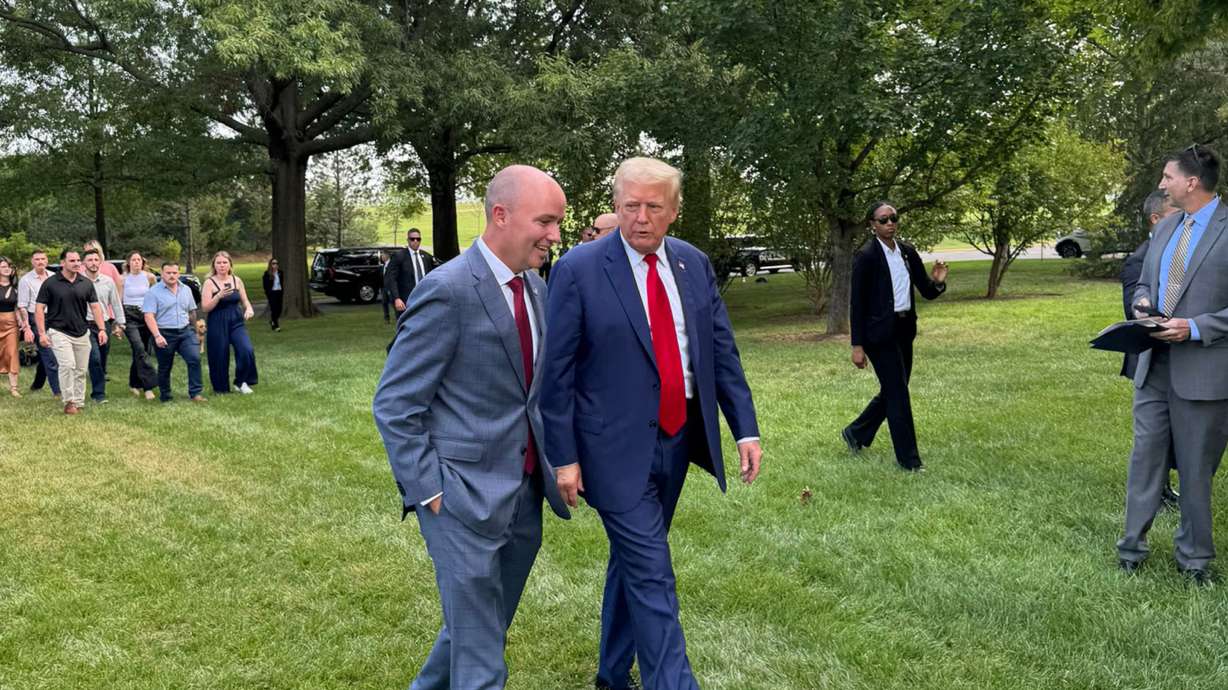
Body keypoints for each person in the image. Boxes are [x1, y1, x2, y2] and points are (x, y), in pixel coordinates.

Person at [541, 157, 763, 690]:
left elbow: (719, 351)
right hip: (610, 451)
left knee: (635, 560)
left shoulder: (691, 263)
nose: (640, 218)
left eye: (653, 207)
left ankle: (612, 675)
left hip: (678, 439)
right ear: (616, 205)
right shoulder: (579, 268)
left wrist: (745, 427)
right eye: (630, 205)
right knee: (652, 571)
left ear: (674, 211)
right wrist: (564, 457)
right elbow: (556, 373)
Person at [373, 165, 571, 690]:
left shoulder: (535, 288)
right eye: (546, 222)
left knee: (480, 627)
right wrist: (430, 492)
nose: (555, 236)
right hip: (459, 500)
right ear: (501, 216)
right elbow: (395, 404)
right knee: (483, 660)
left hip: (524, 495)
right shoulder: (448, 290)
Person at [1118, 144, 1228, 586]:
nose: (1161, 184)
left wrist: (1195, 327)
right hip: (1153, 365)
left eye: (1167, 177)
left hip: (1204, 371)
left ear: (1192, 182)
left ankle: (1195, 560)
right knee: (1144, 458)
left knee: (1196, 468)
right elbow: (1145, 281)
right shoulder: (1166, 228)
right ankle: (1130, 548)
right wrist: (1143, 302)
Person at [842, 201, 948, 472]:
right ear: (872, 226)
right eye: (883, 220)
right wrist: (857, 346)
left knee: (894, 390)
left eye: (893, 218)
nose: (890, 223)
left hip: (904, 330)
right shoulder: (866, 256)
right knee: (898, 395)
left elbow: (925, 290)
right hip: (879, 335)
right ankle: (909, 462)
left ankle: (856, 432)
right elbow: (857, 304)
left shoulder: (907, 252)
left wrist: (938, 281)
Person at [1120, 191, 1180, 509]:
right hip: (1152, 359)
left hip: (1184, 357)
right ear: (1156, 220)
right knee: (1155, 435)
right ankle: (1154, 493)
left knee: (1173, 431)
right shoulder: (1139, 259)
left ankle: (1165, 487)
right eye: (1176, 213)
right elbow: (1136, 314)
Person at [34, 249, 107, 415]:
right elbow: (39, 308)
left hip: (82, 331)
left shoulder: (86, 283)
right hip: (58, 331)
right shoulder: (51, 283)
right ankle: (69, 401)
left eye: (78, 260)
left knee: (81, 370)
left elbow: (95, 307)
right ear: (63, 263)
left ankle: (79, 401)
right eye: (72, 260)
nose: (76, 263)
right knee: (67, 365)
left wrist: (102, 329)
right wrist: (42, 333)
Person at [143, 262, 206, 403]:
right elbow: (148, 316)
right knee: (165, 366)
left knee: (194, 358)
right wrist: (157, 335)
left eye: (174, 273)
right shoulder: (153, 292)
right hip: (164, 333)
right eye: (168, 273)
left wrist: (194, 330)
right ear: (162, 273)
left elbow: (192, 311)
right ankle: (166, 395)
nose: (172, 275)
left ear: (178, 273)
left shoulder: (186, 290)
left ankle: (195, 393)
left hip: (185, 332)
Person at [202, 251, 258, 394]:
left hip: (236, 321)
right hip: (217, 322)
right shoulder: (209, 282)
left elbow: (245, 301)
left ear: (230, 264)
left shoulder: (236, 280)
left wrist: (249, 309)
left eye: (224, 262)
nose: (222, 265)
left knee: (246, 350)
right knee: (219, 355)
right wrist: (218, 296)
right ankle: (221, 388)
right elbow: (205, 307)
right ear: (214, 265)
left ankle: (241, 382)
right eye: (218, 263)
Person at [82, 249, 125, 405]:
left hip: (103, 324)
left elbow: (115, 303)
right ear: (84, 263)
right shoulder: (79, 281)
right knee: (94, 358)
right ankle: (98, 394)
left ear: (100, 262)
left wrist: (120, 323)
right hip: (84, 324)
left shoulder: (108, 281)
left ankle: (97, 384)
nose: (93, 263)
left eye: (96, 259)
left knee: (102, 359)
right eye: (90, 260)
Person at [17, 250, 60, 397]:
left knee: (46, 354)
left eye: (43, 259)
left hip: (54, 318)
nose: (40, 261)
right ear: (32, 262)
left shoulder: (54, 277)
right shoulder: (26, 280)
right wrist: (27, 328)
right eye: (37, 259)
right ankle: (58, 392)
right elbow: (22, 305)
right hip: (34, 318)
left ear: (47, 261)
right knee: (49, 354)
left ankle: (37, 384)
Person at [121, 252, 158, 400]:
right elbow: (119, 300)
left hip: (147, 315)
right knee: (139, 347)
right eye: (133, 260)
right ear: (128, 262)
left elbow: (156, 296)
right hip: (130, 316)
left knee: (143, 351)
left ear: (142, 262)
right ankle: (149, 386)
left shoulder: (150, 277)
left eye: (139, 260)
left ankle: (134, 383)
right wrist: (119, 321)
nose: (136, 262)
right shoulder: (122, 279)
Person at [384, 228, 435, 316]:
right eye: (412, 239)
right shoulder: (399, 256)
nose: (415, 241)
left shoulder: (427, 257)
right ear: (408, 240)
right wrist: (396, 298)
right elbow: (391, 279)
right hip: (405, 302)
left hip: (425, 299)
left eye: (418, 239)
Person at [0, 256, 21, 397]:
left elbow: (19, 307)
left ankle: (14, 388)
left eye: (8, 266)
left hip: (11, 323)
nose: (6, 268)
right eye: (3, 266)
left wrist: (22, 322)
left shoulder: (17, 287)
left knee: (12, 353)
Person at [261, 257, 284, 331]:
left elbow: (282, 283)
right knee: (274, 309)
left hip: (279, 292)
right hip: (272, 293)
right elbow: (265, 285)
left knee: (279, 309)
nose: (275, 265)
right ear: (270, 264)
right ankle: (276, 326)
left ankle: (272, 321)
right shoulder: (267, 274)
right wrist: (268, 294)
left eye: (276, 263)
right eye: (273, 263)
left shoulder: (280, 272)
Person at [379, 251, 392, 323]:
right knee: (384, 302)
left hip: (391, 287)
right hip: (384, 288)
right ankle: (387, 318)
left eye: (382, 255)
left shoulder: (391, 266)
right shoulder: (383, 266)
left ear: (387, 256)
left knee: (393, 302)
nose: (381, 257)